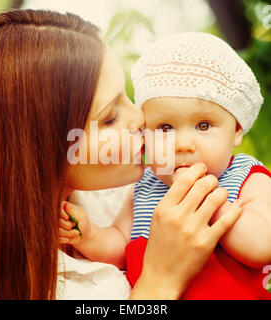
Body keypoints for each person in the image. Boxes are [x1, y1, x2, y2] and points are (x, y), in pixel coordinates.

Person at [0, 10, 241, 300]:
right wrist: (160, 283)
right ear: (39, 147)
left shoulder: (125, 192)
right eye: (111, 117)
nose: (140, 118)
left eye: (128, 97)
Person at [59, 32, 271, 299]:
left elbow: (263, 246)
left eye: (203, 126)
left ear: (237, 130)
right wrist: (89, 235)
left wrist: (212, 205)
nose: (182, 144)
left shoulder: (246, 177)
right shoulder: (144, 186)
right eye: (165, 128)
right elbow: (121, 247)